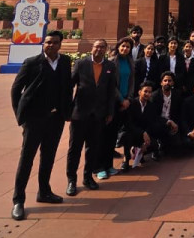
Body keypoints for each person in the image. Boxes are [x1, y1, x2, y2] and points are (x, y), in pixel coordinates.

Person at [10, 30, 72, 220]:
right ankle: (18, 200)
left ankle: (44, 191)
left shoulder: (64, 62)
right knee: (26, 159)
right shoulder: (31, 62)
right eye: (47, 42)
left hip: (55, 119)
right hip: (34, 119)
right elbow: (16, 90)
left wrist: (66, 112)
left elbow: (67, 87)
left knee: (48, 156)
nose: (50, 45)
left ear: (60, 44)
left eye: (54, 42)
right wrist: (21, 117)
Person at [66, 38, 116, 196]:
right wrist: (69, 109)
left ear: (106, 49)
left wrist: (110, 112)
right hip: (80, 113)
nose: (99, 49)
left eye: (102, 47)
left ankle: (88, 177)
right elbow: (70, 86)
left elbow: (111, 91)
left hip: (98, 114)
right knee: (75, 148)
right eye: (96, 46)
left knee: (92, 148)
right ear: (92, 48)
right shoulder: (81, 64)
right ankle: (71, 180)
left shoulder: (110, 66)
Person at [98, 37, 136, 180]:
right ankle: (100, 167)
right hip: (113, 102)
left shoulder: (130, 62)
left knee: (113, 135)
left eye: (128, 47)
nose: (125, 49)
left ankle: (109, 165)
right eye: (123, 46)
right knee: (105, 135)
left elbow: (132, 81)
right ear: (118, 47)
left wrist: (129, 98)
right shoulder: (112, 62)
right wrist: (121, 99)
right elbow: (111, 85)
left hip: (125, 101)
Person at [124, 82, 160, 169]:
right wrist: (142, 133)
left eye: (150, 92)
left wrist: (145, 140)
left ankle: (141, 153)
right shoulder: (132, 104)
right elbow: (128, 124)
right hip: (133, 132)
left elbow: (151, 123)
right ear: (139, 92)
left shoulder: (151, 106)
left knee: (154, 144)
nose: (148, 94)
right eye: (145, 91)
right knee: (126, 137)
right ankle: (126, 160)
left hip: (144, 133)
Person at [151, 70, 184, 156]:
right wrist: (167, 121)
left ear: (173, 83)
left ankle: (165, 144)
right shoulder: (154, 96)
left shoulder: (177, 94)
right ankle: (156, 146)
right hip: (159, 123)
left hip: (172, 124)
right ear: (161, 83)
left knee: (178, 147)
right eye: (165, 80)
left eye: (170, 81)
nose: (167, 83)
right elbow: (153, 116)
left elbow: (180, 113)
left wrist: (176, 124)